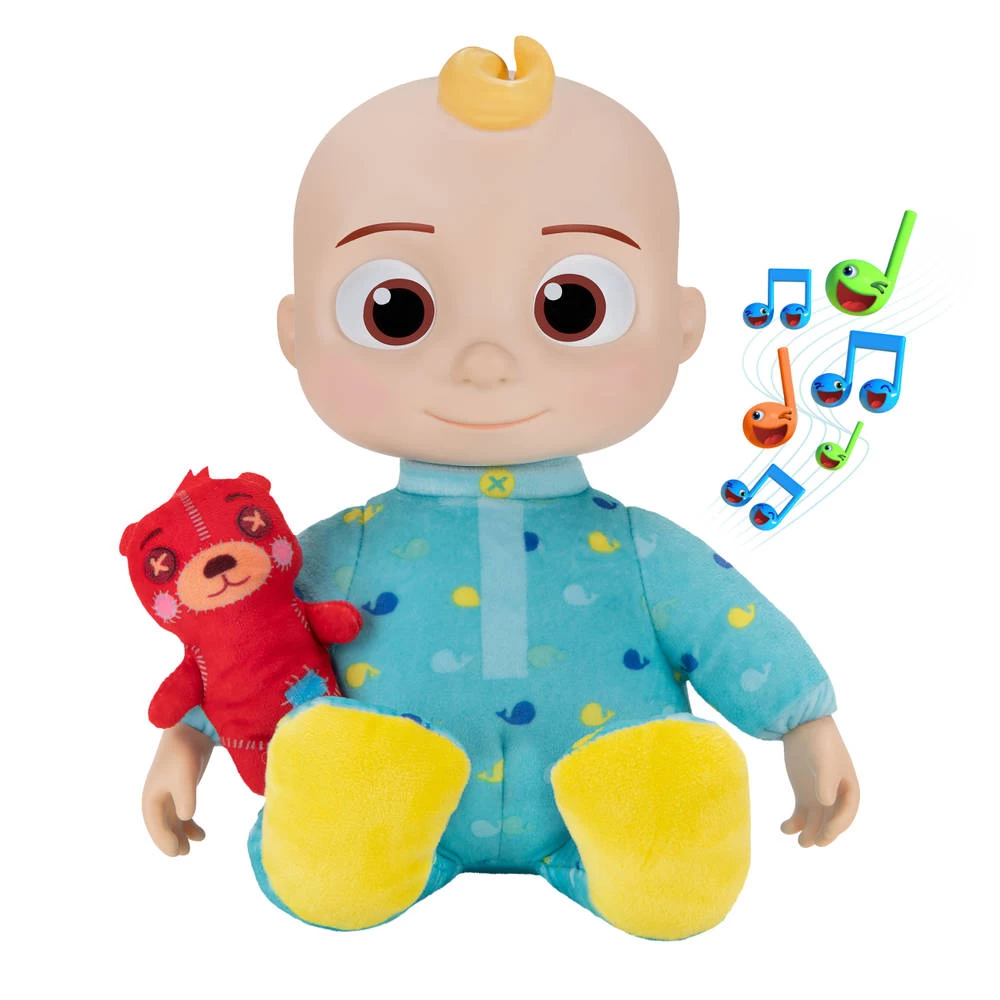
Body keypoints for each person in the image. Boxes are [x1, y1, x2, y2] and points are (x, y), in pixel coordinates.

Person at [141, 36, 859, 940]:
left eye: (571, 306)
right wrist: (188, 739)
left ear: (683, 325)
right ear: (297, 331)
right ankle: (350, 836)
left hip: (590, 811)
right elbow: (248, 641)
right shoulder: (336, 549)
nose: (485, 362)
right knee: (335, 821)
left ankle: (650, 836)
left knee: (668, 859)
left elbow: (727, 621)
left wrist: (805, 722)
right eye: (396, 311)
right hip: (401, 821)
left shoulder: (641, 548)